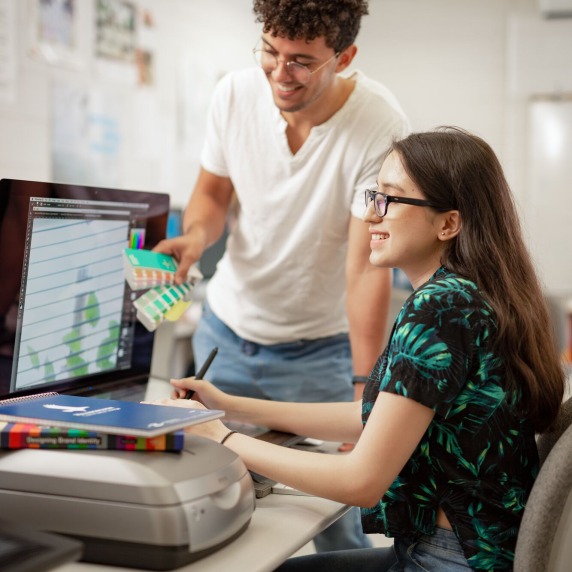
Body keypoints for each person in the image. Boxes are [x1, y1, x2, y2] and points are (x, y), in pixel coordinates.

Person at [150, 127, 566, 571]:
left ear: (448, 223)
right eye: (374, 196)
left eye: (390, 199)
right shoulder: (473, 296)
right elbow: (377, 415)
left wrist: (221, 438)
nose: (371, 215)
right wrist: (231, 407)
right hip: (468, 553)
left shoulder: (440, 308)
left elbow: (362, 480)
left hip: (450, 561)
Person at [154, 0, 409, 552]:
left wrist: (365, 397)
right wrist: (197, 237)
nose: (279, 72)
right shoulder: (234, 94)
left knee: (329, 516)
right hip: (224, 333)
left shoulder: (379, 123)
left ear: (344, 57)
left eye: (301, 61)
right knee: (213, 495)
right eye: (270, 52)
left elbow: (365, 265)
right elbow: (214, 193)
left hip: (316, 353)